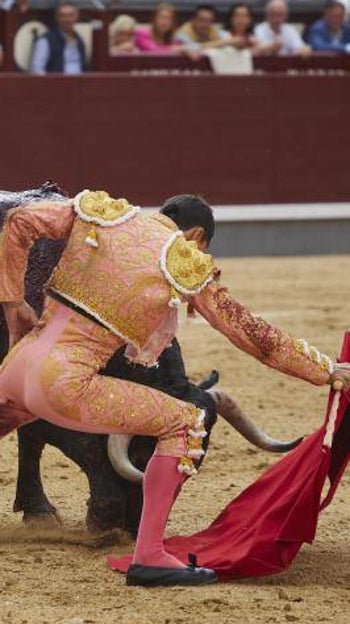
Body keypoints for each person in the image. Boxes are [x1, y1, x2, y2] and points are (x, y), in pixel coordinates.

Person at [0, 191, 349, 588]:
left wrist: (13, 305)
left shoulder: (103, 216)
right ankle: (149, 556)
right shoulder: (181, 260)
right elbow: (253, 335)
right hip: (63, 381)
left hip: (15, 366)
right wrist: (325, 370)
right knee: (186, 421)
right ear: (196, 235)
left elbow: (19, 221)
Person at [30, 1, 87, 75]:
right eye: (62, 16)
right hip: (56, 84)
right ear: (57, 18)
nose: (67, 19)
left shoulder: (79, 40)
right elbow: (36, 69)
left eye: (70, 15)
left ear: (77, 17)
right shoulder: (45, 41)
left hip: (80, 84)